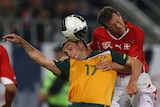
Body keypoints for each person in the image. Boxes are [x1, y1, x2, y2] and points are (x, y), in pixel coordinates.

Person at [2, 33, 142, 107]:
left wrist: (132, 82)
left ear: (81, 43)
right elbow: (42, 60)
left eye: (70, 48)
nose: (68, 53)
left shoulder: (107, 55)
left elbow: (136, 63)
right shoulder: (70, 65)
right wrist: (22, 42)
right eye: (65, 52)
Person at [88, 6, 157, 107]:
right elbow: (90, 47)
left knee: (145, 104)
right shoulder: (98, 34)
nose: (118, 26)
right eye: (113, 26)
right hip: (114, 81)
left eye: (118, 20)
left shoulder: (137, 32)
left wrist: (131, 81)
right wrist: (72, 54)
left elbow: (135, 64)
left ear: (120, 15)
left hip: (137, 77)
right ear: (106, 28)